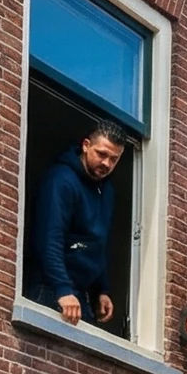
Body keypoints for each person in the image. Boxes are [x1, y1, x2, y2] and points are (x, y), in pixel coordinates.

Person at [26, 121, 129, 326]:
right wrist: (62, 290)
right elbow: (49, 238)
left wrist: (102, 289)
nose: (107, 164)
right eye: (101, 154)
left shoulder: (105, 190)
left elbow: (98, 242)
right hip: (50, 290)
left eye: (114, 159)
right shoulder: (61, 180)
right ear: (85, 145)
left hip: (80, 296)